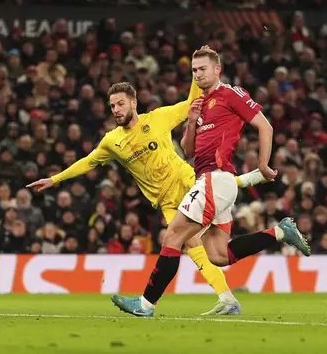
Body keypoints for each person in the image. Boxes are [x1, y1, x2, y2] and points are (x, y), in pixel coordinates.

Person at [27, 75, 267, 315]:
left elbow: (193, 101)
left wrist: (196, 77)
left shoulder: (158, 118)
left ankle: (153, 304)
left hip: (186, 182)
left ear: (133, 103)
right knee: (195, 247)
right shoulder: (112, 141)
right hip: (166, 202)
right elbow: (88, 162)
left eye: (120, 104)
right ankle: (227, 298)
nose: (116, 110)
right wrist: (55, 179)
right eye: (112, 106)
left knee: (197, 242)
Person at [109, 46, 310, 317]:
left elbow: (265, 126)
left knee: (173, 236)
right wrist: (191, 121)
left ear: (217, 69)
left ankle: (146, 304)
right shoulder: (199, 104)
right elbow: (188, 149)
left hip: (215, 179)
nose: (198, 74)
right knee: (218, 255)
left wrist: (262, 164)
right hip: (210, 180)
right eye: (193, 71)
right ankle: (280, 232)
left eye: (203, 69)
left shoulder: (230, 93)